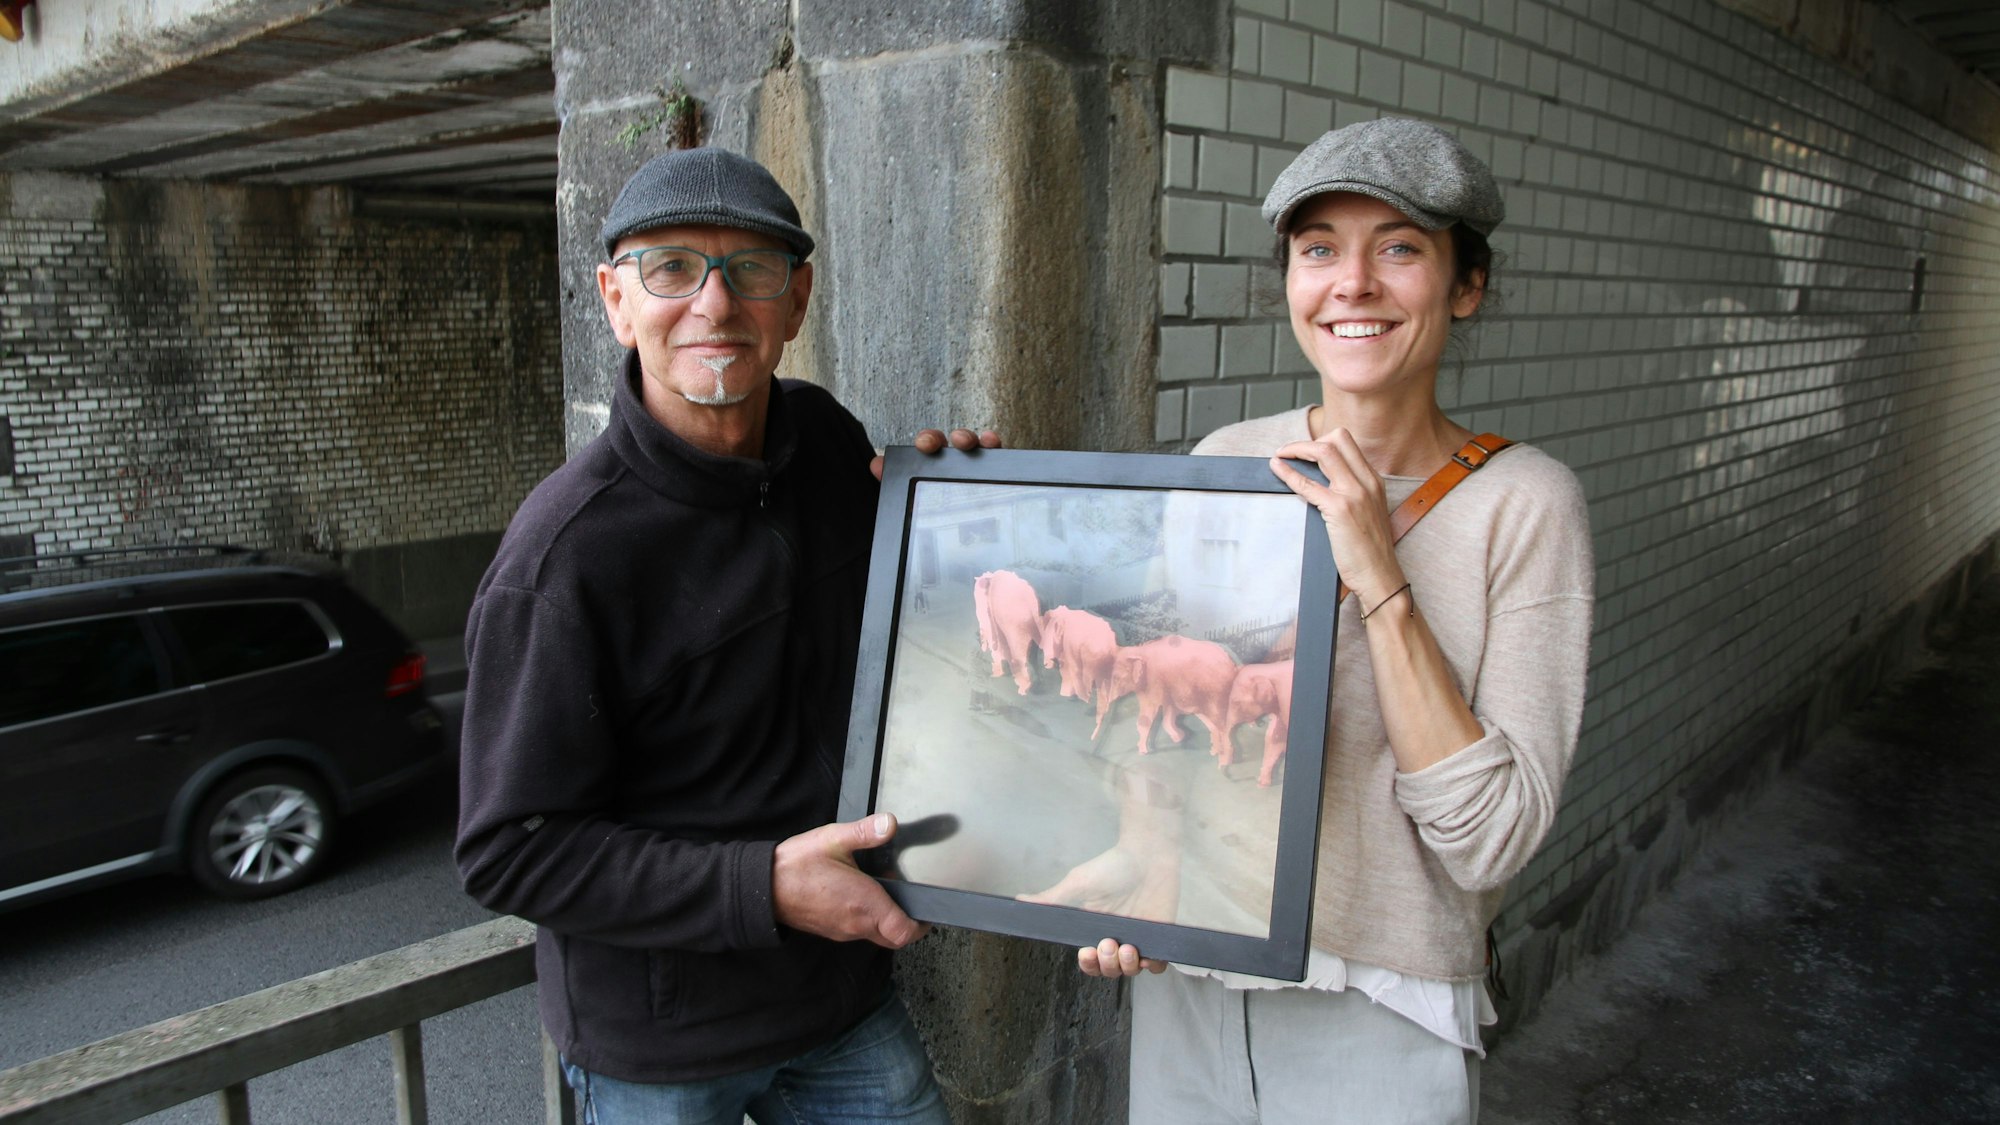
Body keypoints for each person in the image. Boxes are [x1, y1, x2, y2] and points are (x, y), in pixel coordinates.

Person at [1061, 118, 1595, 1123]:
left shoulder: (1525, 505)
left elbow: (1488, 842)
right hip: (1198, 974)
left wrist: (1376, 573)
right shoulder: (1229, 458)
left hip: (1379, 1007)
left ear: (1464, 286)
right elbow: (1174, 723)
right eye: (1318, 251)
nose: (1351, 283)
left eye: (1397, 247)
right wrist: (1134, 861)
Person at [454, 146, 990, 1125]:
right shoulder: (562, 560)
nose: (712, 304)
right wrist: (765, 889)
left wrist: (964, 509)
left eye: (750, 270)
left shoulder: (823, 441)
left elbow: (908, 631)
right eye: (670, 270)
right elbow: (509, 852)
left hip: (837, 995)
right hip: (662, 1047)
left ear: (796, 302)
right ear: (616, 299)